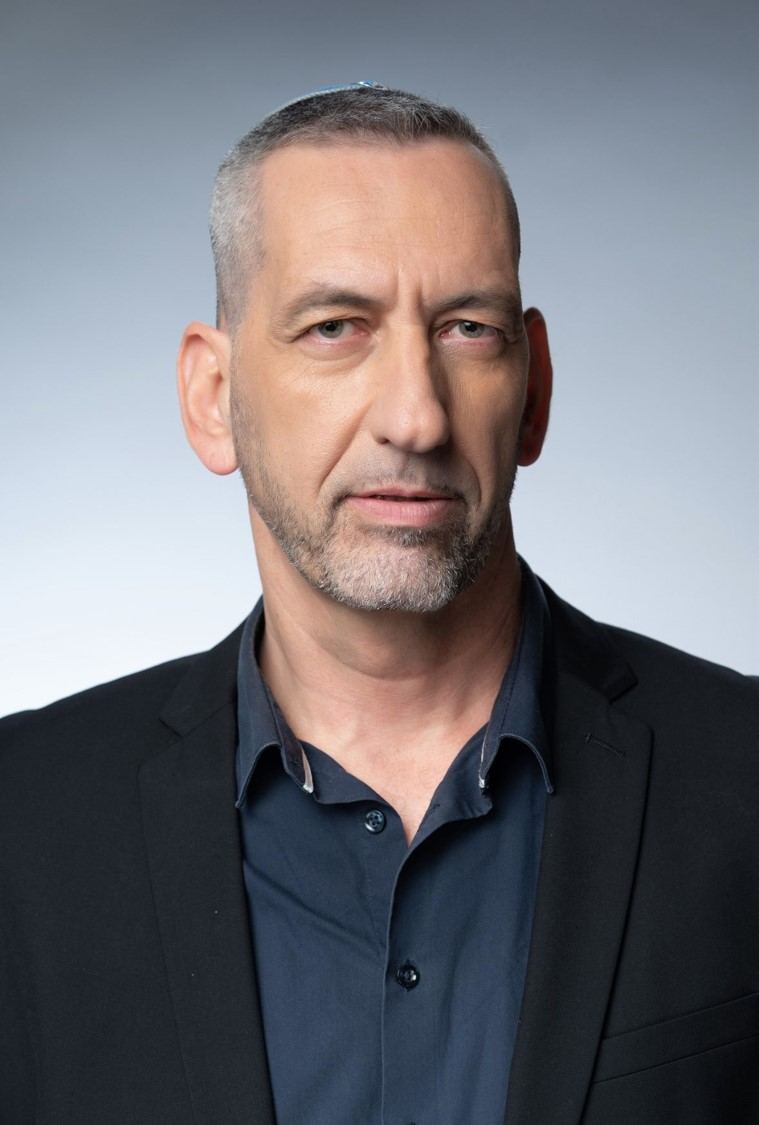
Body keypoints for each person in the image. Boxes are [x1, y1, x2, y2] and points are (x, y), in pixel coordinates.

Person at [1, 84, 757, 1125]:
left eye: (468, 329)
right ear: (213, 398)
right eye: (334, 327)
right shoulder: (23, 823)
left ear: (534, 389)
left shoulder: (742, 777)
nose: (415, 415)